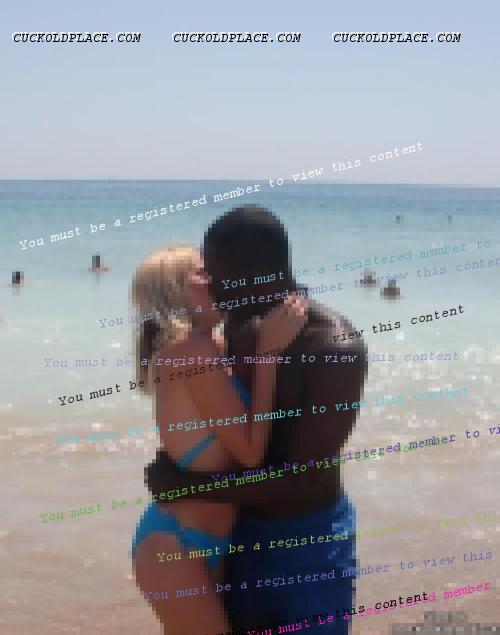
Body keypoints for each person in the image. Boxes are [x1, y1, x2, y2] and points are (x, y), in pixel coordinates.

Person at [147, 206, 368, 634]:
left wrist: (186, 486)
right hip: (239, 534)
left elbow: (304, 479)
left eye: (216, 275)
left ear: (251, 277)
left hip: (308, 543)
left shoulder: (332, 349)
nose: (209, 286)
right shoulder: (235, 326)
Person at [130, 246, 307, 635]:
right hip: (173, 545)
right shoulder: (189, 352)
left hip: (212, 536)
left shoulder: (215, 346)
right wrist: (269, 354)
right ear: (173, 291)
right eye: (203, 273)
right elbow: (250, 452)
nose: (217, 279)